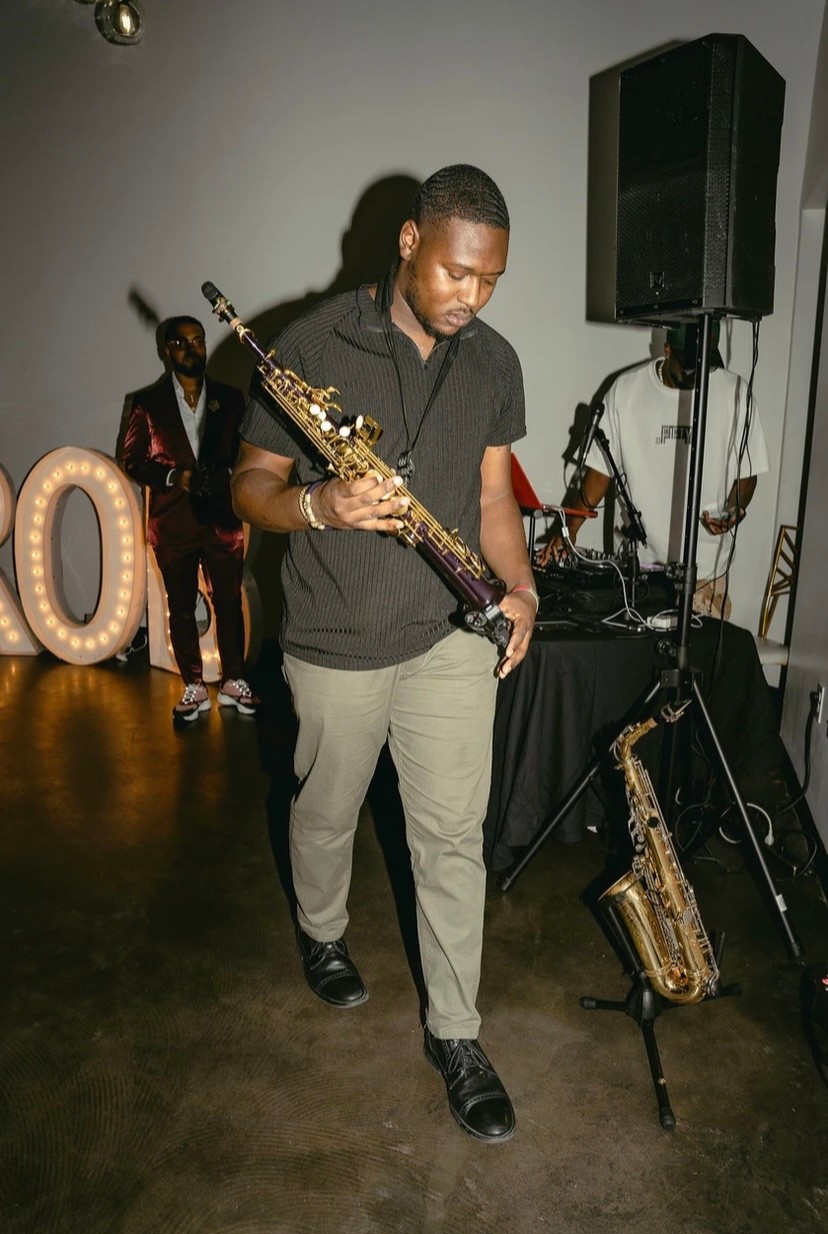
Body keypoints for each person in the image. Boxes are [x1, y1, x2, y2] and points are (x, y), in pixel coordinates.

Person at [232, 165, 537, 1143]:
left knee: (450, 837)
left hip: (449, 635)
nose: (473, 296)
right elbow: (250, 484)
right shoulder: (310, 343)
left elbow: (494, 498)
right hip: (337, 636)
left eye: (490, 279)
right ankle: (323, 930)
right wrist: (319, 504)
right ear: (409, 242)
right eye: (457, 272)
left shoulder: (494, 362)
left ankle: (457, 1034)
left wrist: (521, 588)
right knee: (326, 807)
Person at [538, 322, 770, 618]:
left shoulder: (736, 394)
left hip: (704, 575)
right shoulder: (626, 391)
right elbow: (599, 472)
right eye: (688, 369)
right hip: (638, 571)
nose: (696, 377)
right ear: (667, 350)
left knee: (700, 647)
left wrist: (735, 506)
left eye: (704, 367)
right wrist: (568, 531)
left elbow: (747, 470)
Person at [122, 316, 259, 721]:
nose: (191, 348)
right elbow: (132, 460)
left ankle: (233, 681)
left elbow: (246, 452)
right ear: (167, 350)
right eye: (181, 342)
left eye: (197, 340)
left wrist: (230, 475)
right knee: (180, 607)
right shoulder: (148, 402)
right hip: (172, 524)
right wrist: (171, 477)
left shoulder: (230, 398)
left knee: (229, 603)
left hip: (222, 521)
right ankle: (194, 686)